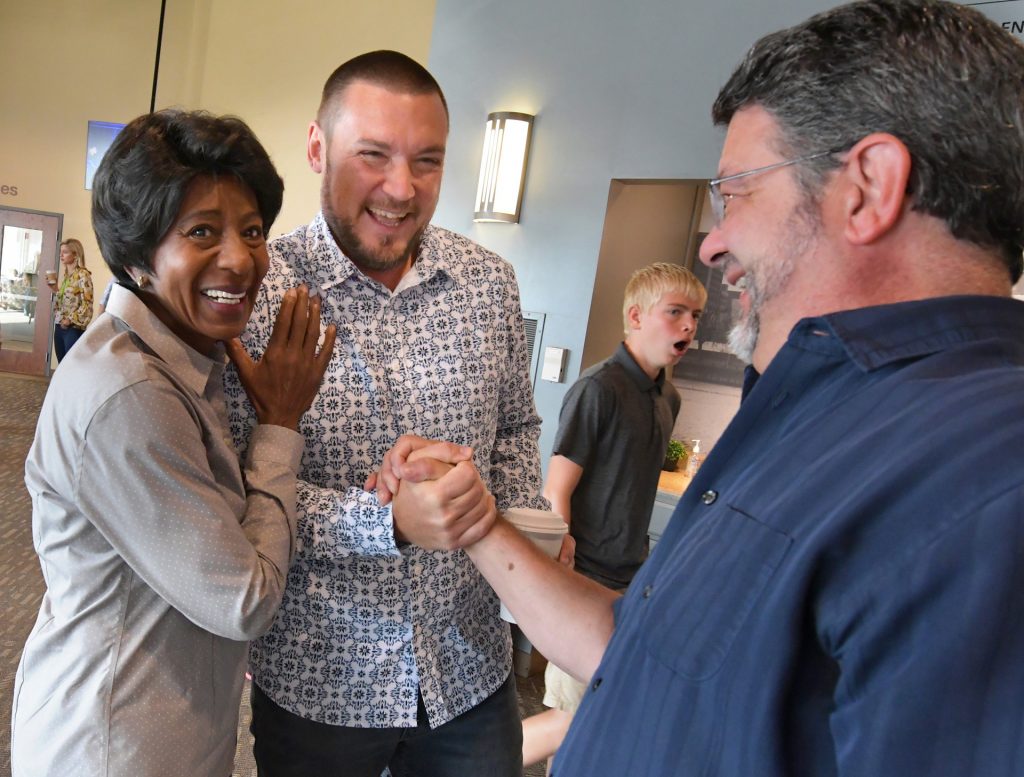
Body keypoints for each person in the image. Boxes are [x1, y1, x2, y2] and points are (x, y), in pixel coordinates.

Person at [386, 1, 1024, 775]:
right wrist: (478, 520)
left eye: (738, 191)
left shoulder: (989, 485)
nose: (713, 238)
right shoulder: (810, 411)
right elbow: (638, 648)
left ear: (868, 186)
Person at [223, 50, 546, 776]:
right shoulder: (256, 291)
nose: (401, 188)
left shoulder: (488, 282)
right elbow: (239, 489)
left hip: (468, 672)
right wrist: (387, 523)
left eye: (427, 161)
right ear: (317, 148)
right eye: (373, 155)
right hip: (320, 677)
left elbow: (518, 427)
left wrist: (524, 522)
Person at [11, 109, 336, 777]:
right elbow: (244, 599)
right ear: (136, 255)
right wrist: (280, 422)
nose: (241, 259)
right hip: (116, 743)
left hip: (167, 729)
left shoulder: (186, 358)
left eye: (251, 231)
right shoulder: (129, 391)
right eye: (201, 232)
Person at [522, 262, 706, 768]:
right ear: (636, 316)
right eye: (675, 313)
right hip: (584, 579)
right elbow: (557, 486)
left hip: (632, 581)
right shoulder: (597, 389)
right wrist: (560, 577)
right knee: (575, 717)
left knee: (597, 716)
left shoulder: (669, 396)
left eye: (695, 315)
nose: (688, 325)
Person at [46, 237, 93, 360]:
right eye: (61, 252)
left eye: (65, 252)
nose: (61, 255)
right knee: (62, 365)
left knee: (71, 367)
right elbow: (63, 303)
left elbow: (87, 305)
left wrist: (70, 320)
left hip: (73, 329)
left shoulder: (83, 275)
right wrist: (55, 289)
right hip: (60, 326)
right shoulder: (67, 276)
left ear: (75, 254)